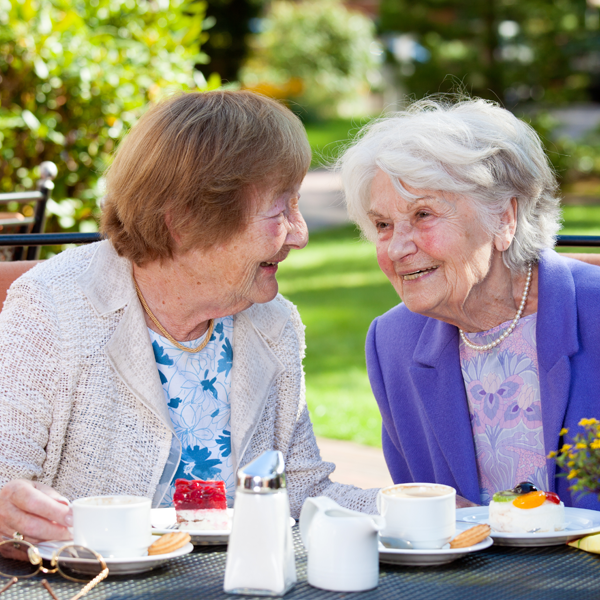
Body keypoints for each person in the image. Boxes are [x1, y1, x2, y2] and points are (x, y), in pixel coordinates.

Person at [0, 91, 378, 547]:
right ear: (186, 221)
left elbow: (303, 493)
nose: (301, 234)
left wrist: (423, 511)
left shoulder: (272, 323)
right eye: (280, 210)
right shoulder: (51, 310)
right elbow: (8, 482)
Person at [339, 96, 600, 510]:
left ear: (504, 219)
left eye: (423, 214)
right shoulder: (394, 341)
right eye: (383, 225)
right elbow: (424, 510)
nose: (398, 248)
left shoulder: (594, 309)